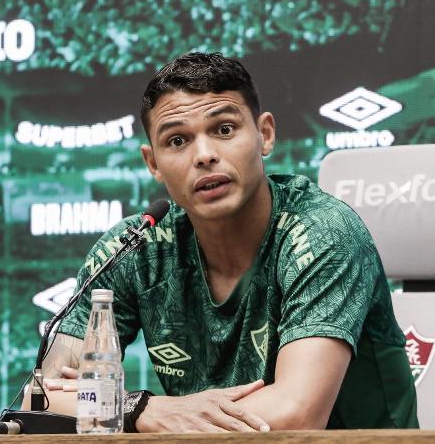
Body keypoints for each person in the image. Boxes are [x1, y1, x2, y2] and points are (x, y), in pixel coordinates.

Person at [22, 52, 418, 432]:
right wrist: (142, 408)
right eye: (177, 141)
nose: (205, 155)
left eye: (224, 130)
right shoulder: (135, 247)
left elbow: (295, 413)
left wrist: (137, 413)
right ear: (153, 163)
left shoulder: (322, 233)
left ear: (264, 134)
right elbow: (40, 401)